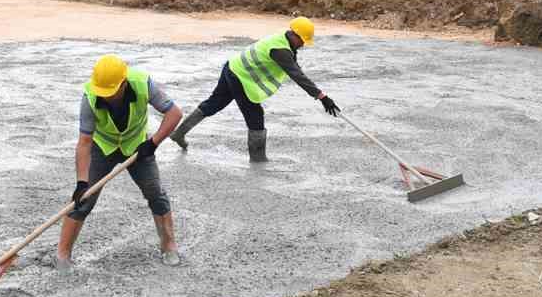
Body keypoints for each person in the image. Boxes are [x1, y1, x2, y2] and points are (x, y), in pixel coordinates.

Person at [57, 54, 184, 270]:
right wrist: (81, 182)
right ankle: (63, 254)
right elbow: (84, 142)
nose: (106, 97)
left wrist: (152, 143)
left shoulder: (143, 84)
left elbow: (174, 113)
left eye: (111, 92)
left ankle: (169, 245)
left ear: (123, 83)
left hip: (138, 147)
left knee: (156, 193)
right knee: (83, 199)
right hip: (102, 147)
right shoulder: (90, 95)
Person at [170, 16, 338, 162]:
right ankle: (258, 160)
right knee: (255, 116)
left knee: (214, 103)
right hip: (241, 78)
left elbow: (295, 68)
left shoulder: (283, 40)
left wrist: (319, 94)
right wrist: (322, 96)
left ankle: (179, 133)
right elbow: (297, 75)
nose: (302, 44)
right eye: (301, 40)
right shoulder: (280, 50)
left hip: (232, 67)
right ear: (293, 34)